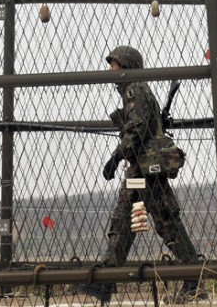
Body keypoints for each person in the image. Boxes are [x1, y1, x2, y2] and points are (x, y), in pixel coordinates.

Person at [77, 46, 205, 304]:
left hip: (145, 170)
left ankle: (193, 277)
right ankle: (108, 279)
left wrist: (116, 157)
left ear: (126, 66)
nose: (110, 70)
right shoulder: (135, 89)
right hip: (141, 170)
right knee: (126, 217)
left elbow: (138, 126)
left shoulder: (135, 89)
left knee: (161, 221)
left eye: (114, 64)